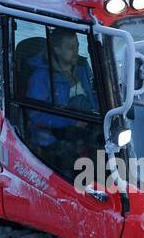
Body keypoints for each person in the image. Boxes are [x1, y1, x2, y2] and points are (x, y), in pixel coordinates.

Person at [23, 27, 98, 169]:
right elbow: (36, 114)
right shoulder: (42, 77)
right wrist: (71, 121)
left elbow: (95, 94)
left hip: (89, 124)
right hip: (56, 134)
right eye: (70, 47)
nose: (75, 51)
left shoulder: (82, 67)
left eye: (77, 46)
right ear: (57, 50)